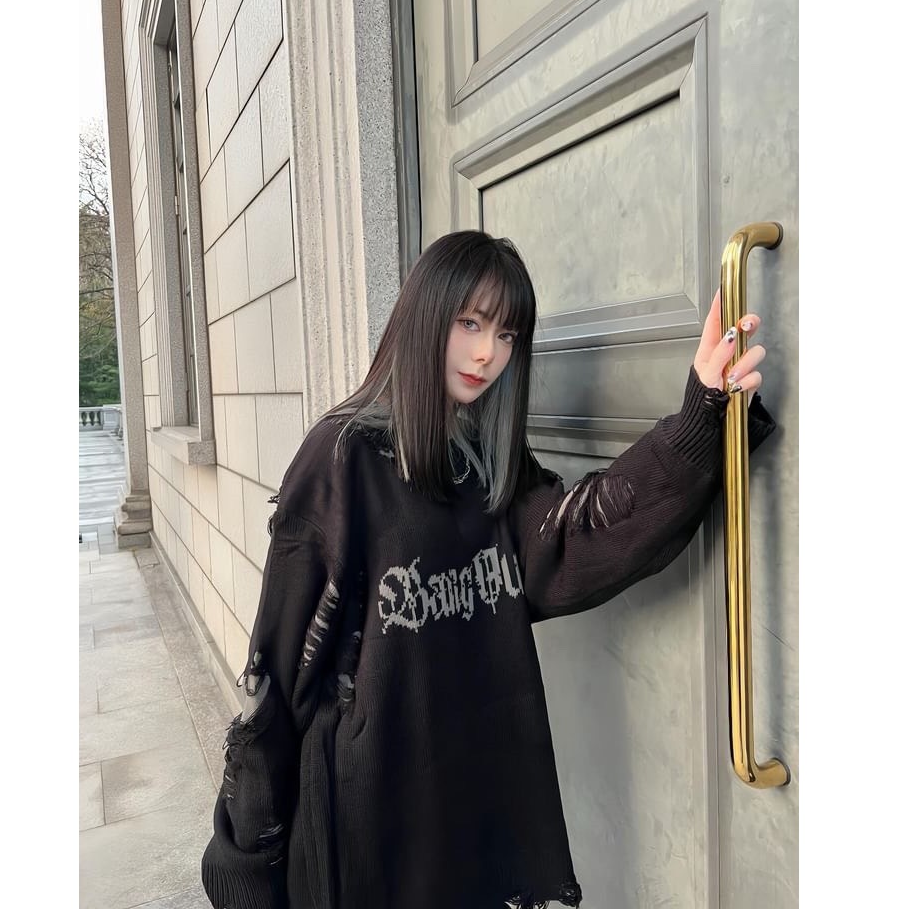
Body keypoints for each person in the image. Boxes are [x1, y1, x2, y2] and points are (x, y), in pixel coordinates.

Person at [200, 230, 775, 909]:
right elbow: (276, 671)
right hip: (371, 828)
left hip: (475, 800)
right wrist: (247, 864)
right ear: (424, 316)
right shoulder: (340, 457)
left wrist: (703, 412)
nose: (487, 354)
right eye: (469, 323)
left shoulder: (488, 462)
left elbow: (575, 541)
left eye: (506, 335)